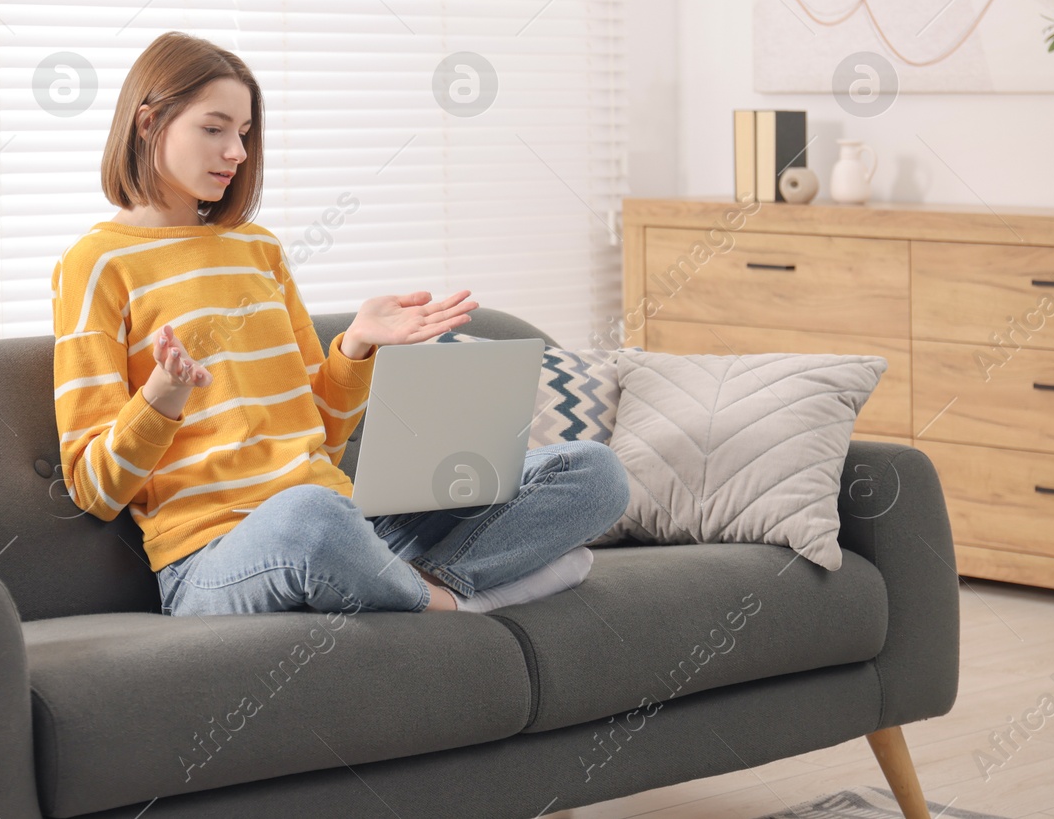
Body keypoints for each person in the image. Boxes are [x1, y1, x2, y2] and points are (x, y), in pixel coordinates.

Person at [51, 31, 629, 616]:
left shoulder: (258, 250)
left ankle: (424, 585)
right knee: (308, 516)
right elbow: (94, 490)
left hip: (347, 526)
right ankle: (457, 604)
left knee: (592, 471)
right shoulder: (98, 266)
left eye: (245, 135)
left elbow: (322, 436)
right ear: (148, 123)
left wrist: (354, 346)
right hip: (215, 557)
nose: (237, 153)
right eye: (214, 129)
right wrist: (163, 394)